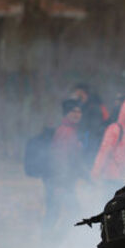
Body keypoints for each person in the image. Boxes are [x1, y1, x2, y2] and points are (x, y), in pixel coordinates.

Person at [45, 99, 85, 231]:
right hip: (61, 182)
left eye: (79, 111)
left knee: (57, 213)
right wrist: (59, 184)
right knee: (69, 212)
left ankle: (49, 241)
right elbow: (59, 160)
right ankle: (51, 242)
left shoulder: (72, 131)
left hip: (66, 181)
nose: (77, 114)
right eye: (73, 111)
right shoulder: (65, 131)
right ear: (66, 114)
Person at [71, 83, 108, 165]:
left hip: (91, 141)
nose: (75, 93)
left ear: (82, 91)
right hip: (84, 139)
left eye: (76, 91)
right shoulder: (82, 104)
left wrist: (84, 140)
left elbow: (94, 127)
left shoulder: (93, 106)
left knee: (88, 162)